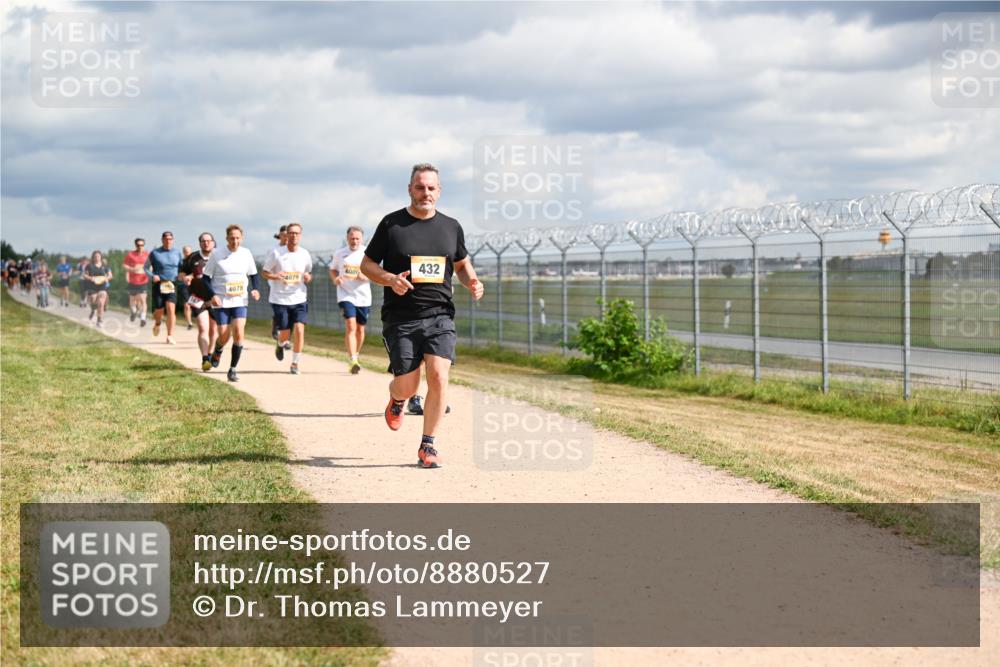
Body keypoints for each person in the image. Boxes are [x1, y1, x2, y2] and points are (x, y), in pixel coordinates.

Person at [361, 163, 484, 469]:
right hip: (401, 318)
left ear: (438, 191)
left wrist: (472, 281)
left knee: (440, 377)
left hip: (440, 315)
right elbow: (366, 265)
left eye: (431, 188)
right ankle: (398, 399)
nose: (425, 193)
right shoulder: (392, 225)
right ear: (410, 189)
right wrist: (390, 279)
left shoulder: (451, 227)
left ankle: (427, 445)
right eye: (420, 187)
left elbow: (461, 262)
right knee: (408, 384)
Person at [202, 224, 260, 382]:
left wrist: (255, 289)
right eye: (232, 238)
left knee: (239, 333)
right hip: (221, 300)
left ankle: (233, 369)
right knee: (224, 335)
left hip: (240, 300)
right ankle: (218, 349)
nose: (235, 241)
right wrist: (212, 295)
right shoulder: (217, 254)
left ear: (241, 238)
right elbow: (206, 278)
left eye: (237, 238)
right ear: (227, 238)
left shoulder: (246, 253)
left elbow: (254, 275)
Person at [261, 222, 312, 374]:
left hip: (299, 298)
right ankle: (280, 343)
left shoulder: (305, 254)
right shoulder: (277, 253)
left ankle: (295, 363)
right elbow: (264, 272)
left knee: (299, 330)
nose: (293, 236)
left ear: (300, 236)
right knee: (284, 333)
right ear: (286, 235)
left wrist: (308, 277)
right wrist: (276, 276)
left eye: (297, 233)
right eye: (291, 233)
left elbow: (308, 273)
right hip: (280, 299)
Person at [331, 226, 372, 375]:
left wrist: (365, 277)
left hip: (363, 296)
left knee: (360, 329)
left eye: (357, 238)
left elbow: (375, 273)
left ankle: (355, 354)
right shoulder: (340, 254)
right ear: (347, 238)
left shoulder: (368, 253)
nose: (354, 241)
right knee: (351, 326)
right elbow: (333, 269)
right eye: (352, 238)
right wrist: (335, 279)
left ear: (361, 239)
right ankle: (353, 359)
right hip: (345, 294)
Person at [180, 232, 219, 371]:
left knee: (214, 329)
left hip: (215, 298)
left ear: (213, 243)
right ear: (200, 243)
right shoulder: (192, 257)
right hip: (197, 297)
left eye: (209, 241)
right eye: (203, 241)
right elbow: (182, 273)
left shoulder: (219, 256)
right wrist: (185, 278)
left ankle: (210, 353)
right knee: (203, 327)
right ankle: (205, 359)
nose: (206, 243)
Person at [144, 231, 183, 344]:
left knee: (171, 308)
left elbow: (182, 268)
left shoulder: (177, 253)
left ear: (173, 240)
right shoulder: (155, 253)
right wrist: (152, 276)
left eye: (170, 239)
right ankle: (157, 323)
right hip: (159, 284)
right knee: (159, 310)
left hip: (172, 284)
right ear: (162, 240)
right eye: (166, 239)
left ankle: (170, 335)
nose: (168, 241)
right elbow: (145, 268)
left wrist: (182, 275)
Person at [123, 238, 150, 326]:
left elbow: (151, 266)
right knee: (132, 300)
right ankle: (134, 311)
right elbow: (124, 265)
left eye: (142, 245)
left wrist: (150, 271)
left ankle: (143, 318)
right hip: (133, 281)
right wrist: (131, 269)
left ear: (144, 245)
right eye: (138, 245)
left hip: (143, 281)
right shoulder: (130, 255)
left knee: (143, 299)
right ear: (135, 245)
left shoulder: (147, 255)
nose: (140, 247)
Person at [269, 224, 288, 340]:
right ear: (279, 236)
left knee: (289, 313)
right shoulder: (273, 251)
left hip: (291, 285)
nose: (286, 238)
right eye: (284, 235)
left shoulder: (295, 250)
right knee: (279, 310)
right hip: (275, 284)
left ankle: (285, 338)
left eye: (288, 235)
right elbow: (267, 269)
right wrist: (276, 276)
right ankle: (276, 325)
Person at [83, 250, 112, 327]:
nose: (97, 258)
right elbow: (85, 275)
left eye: (98, 256)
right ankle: (93, 310)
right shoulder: (89, 266)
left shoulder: (105, 266)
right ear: (93, 257)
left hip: (102, 286)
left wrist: (107, 278)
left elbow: (110, 275)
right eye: (95, 256)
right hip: (92, 286)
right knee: (93, 300)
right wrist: (91, 278)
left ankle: (99, 319)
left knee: (101, 302)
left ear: (100, 257)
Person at [178, 244, 194, 330]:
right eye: (185, 252)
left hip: (195, 286)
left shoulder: (196, 261)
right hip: (184, 286)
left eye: (188, 252)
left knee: (196, 305)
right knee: (187, 305)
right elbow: (179, 275)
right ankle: (189, 323)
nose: (187, 253)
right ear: (183, 253)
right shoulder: (181, 263)